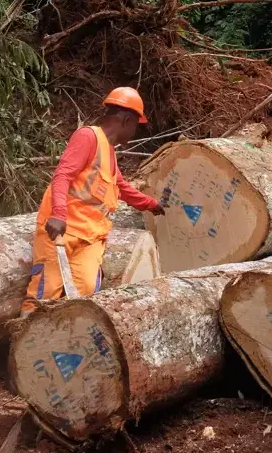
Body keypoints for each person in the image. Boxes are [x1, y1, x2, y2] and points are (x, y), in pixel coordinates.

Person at [20, 87, 165, 315]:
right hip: (61, 233)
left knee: (85, 295)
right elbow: (62, 175)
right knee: (44, 294)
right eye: (136, 126)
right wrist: (58, 214)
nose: (134, 132)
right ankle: (26, 345)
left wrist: (150, 204)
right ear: (126, 120)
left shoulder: (109, 153)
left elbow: (122, 188)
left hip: (90, 239)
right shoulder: (88, 137)